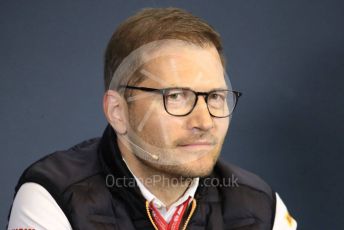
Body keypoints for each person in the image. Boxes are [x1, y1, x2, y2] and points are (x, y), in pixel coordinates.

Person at [8, 7, 297, 230]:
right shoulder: (55, 195)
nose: (205, 121)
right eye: (175, 96)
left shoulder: (259, 205)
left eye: (215, 97)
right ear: (118, 112)